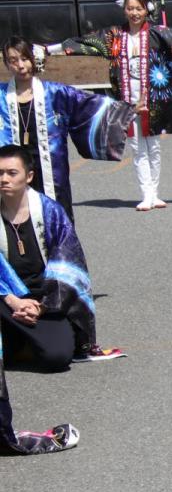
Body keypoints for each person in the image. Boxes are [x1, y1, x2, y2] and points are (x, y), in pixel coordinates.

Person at [47, 0, 172, 210]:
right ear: (124, 9)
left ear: (147, 10)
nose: (134, 13)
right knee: (136, 147)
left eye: (139, 8)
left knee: (153, 146)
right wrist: (49, 49)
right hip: (127, 101)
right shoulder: (114, 35)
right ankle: (146, 193)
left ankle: (155, 193)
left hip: (154, 99)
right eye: (130, 8)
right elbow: (83, 42)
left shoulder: (158, 33)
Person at [0, 145, 120, 367]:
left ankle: (18, 343)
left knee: (57, 356)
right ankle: (15, 341)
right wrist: (13, 300)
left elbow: (68, 265)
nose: (4, 179)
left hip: (44, 299)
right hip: (5, 297)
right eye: (0, 173)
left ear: (29, 176)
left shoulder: (51, 212)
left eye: (12, 173)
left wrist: (40, 306)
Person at [1, 36, 133, 223]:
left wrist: (128, 109)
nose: (21, 66)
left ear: (33, 59)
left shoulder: (55, 93)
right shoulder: (1, 97)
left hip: (50, 170)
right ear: (7, 64)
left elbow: (89, 105)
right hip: (11, 170)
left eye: (25, 58)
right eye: (13, 60)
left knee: (56, 217)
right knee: (14, 217)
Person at [0, 253, 79, 454]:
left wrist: (40, 305)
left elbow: (68, 264)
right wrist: (10, 297)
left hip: (34, 297)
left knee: (56, 351)